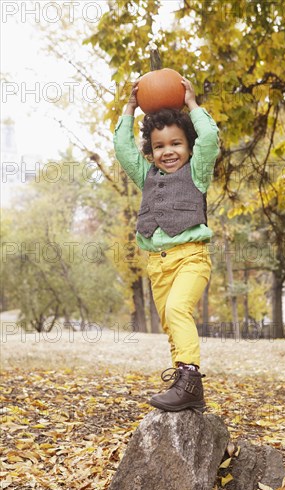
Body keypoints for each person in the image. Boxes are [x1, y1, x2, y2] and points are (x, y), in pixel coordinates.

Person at [114, 77, 219, 412]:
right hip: (158, 264)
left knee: (178, 310)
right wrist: (130, 109)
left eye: (176, 144)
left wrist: (192, 104)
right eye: (159, 146)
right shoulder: (146, 176)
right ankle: (184, 386)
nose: (168, 151)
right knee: (171, 325)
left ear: (189, 147)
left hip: (191, 258)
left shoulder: (198, 173)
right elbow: (123, 148)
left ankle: (190, 380)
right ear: (151, 151)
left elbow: (211, 138)